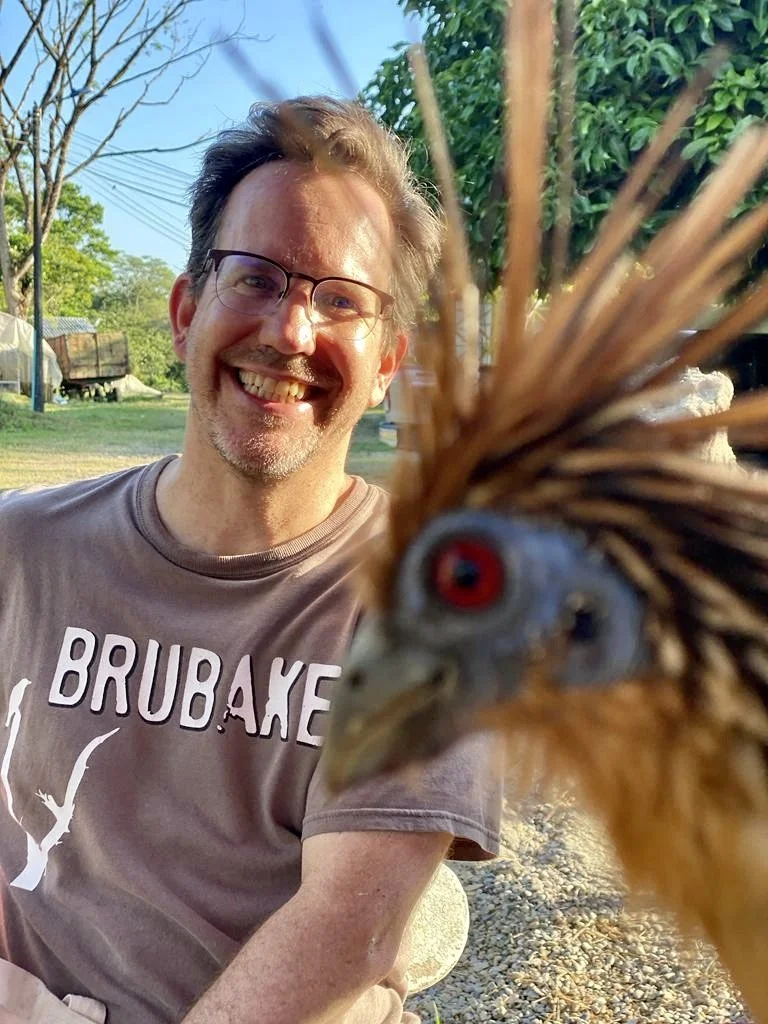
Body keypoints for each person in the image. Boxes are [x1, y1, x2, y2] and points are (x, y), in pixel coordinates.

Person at [0, 97, 502, 1024]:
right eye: (258, 278)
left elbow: (351, 930)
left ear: (387, 359)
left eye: (341, 299)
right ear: (188, 310)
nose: (291, 333)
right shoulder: (21, 549)